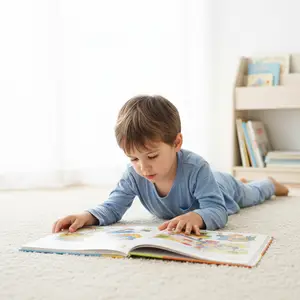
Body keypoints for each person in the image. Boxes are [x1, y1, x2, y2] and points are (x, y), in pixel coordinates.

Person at [52, 95, 289, 235]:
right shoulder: (133, 175)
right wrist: (86, 216)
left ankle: (267, 183)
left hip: (223, 188)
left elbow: (217, 211)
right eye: (134, 159)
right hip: (208, 184)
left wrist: (196, 217)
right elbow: (113, 207)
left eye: (152, 157)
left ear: (176, 143)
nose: (143, 168)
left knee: (250, 194)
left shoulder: (197, 167)